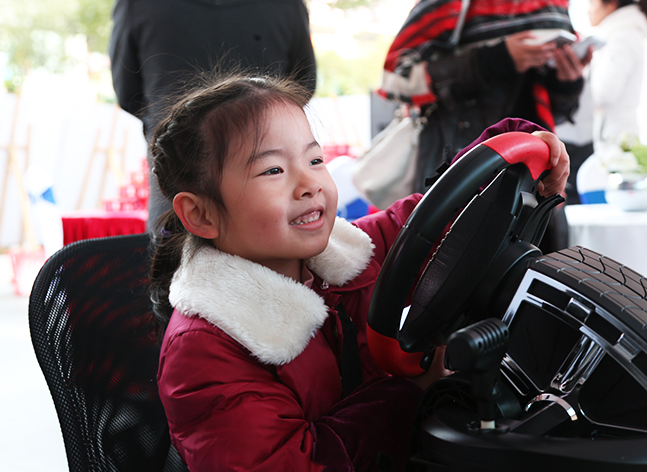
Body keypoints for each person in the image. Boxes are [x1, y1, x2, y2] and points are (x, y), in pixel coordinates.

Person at [149, 71, 570, 471]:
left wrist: (520, 142)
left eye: (315, 160)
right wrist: (411, 391)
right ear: (201, 215)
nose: (309, 184)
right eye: (273, 170)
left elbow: (430, 221)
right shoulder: (204, 350)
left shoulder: (341, 255)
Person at [379, 0, 590, 252]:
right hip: (462, 169)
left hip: (537, 176)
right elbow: (395, 79)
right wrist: (494, 59)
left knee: (532, 267)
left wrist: (567, 83)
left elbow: (545, 106)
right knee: (451, 267)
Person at [109, 0, 317, 228]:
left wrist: (175, 125)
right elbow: (302, 84)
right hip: (271, 174)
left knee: (174, 244)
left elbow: (128, 93)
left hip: (177, 171)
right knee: (279, 244)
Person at [573, 0, 647, 202]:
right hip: (614, 137)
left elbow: (604, 94)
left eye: (591, 2)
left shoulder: (622, 36)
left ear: (611, 4)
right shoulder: (620, 33)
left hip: (614, 141)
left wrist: (575, 74)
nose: (588, 10)